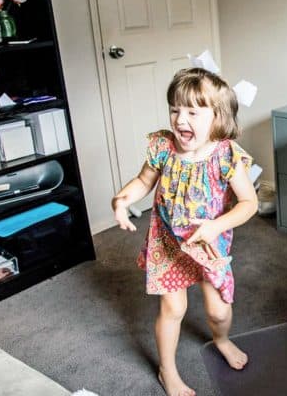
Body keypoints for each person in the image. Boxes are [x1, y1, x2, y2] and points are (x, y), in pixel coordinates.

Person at [111, 67, 258, 396]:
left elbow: (249, 203)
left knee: (218, 311)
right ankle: (168, 371)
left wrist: (216, 226)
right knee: (172, 309)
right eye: (175, 109)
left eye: (192, 111)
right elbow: (143, 182)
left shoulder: (226, 155)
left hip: (209, 244)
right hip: (168, 244)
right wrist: (123, 198)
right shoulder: (163, 146)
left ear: (217, 117)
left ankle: (220, 339)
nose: (180, 119)